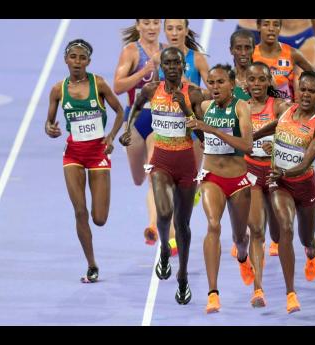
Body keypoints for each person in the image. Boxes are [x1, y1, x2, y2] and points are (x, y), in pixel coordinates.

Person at [119, 47, 204, 305]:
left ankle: (183, 277)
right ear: (162, 67)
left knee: (184, 225)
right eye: (167, 64)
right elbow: (134, 108)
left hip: (186, 162)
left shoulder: (193, 93)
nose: (172, 68)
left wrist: (186, 111)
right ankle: (165, 250)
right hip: (161, 160)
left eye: (177, 64)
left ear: (183, 67)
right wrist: (127, 129)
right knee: (164, 214)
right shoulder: (150, 90)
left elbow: (202, 135)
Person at [45, 39, 124, 283]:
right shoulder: (58, 90)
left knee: (98, 218)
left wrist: (111, 136)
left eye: (82, 58)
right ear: (66, 60)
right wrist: (51, 129)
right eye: (73, 57)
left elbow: (120, 112)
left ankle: (92, 256)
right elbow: (49, 123)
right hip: (74, 155)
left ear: (88, 61)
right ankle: (91, 265)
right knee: (80, 211)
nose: (77, 62)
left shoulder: (98, 84)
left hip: (98, 153)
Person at [253, 70, 315, 313]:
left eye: (312, 91)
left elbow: (306, 162)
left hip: (304, 186)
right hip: (280, 184)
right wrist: (252, 137)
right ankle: (291, 294)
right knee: (285, 228)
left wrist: (285, 173)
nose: (306, 94)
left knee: (305, 237)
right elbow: (275, 126)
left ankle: (311, 247)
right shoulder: (287, 109)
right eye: (303, 89)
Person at [186, 64, 254, 313]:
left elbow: (247, 145)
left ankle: (243, 255)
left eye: (220, 82)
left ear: (232, 84)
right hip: (212, 177)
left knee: (239, 237)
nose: (214, 87)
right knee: (213, 225)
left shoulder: (241, 107)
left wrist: (211, 130)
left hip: (237, 180)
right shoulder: (204, 106)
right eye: (211, 83)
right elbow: (189, 100)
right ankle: (213, 292)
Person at [113, 19, 179, 255]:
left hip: (160, 118)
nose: (152, 28)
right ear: (139, 25)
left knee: (154, 175)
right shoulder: (131, 51)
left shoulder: (167, 51)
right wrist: (144, 71)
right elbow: (118, 87)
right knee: (139, 178)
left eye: (155, 23)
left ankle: (158, 227)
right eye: (147, 23)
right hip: (136, 118)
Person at [244, 61, 291, 307]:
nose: (257, 84)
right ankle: (258, 289)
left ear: (269, 81)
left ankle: (290, 284)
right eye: (252, 80)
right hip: (251, 172)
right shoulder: (240, 109)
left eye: (262, 79)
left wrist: (278, 145)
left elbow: (296, 128)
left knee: (277, 232)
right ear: (246, 83)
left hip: (274, 175)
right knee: (256, 230)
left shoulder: (280, 106)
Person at [155, 19, 210, 205]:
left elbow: (213, 92)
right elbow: (154, 90)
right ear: (164, 31)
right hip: (167, 128)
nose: (174, 33)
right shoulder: (159, 58)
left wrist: (188, 84)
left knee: (187, 184)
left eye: (179, 28)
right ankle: (170, 231)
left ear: (186, 31)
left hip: (191, 129)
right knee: (166, 186)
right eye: (169, 28)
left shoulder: (197, 59)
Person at [252, 19, 315, 102]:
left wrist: (304, 98)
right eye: (266, 24)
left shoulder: (292, 53)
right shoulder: (251, 55)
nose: (271, 29)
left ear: (280, 27)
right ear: (258, 26)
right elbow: (240, 80)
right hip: (258, 111)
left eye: (276, 25)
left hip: (287, 111)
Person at [229, 29, 256, 101]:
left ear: (254, 49)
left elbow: (282, 105)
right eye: (238, 48)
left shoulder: (265, 78)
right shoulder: (225, 80)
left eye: (247, 48)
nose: (243, 53)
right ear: (231, 50)